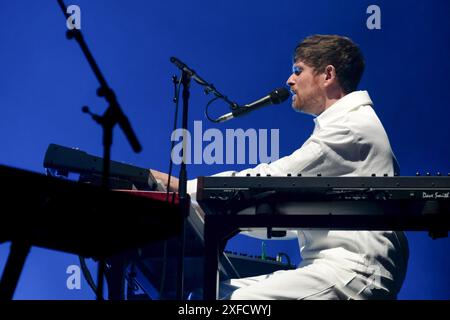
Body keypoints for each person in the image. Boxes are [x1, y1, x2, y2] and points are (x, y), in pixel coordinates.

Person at [152, 34, 409, 300]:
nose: (289, 80)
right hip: (339, 267)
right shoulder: (344, 126)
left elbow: (270, 179)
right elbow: (289, 215)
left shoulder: (349, 128)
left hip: (355, 270)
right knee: (208, 295)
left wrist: (183, 188)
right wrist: (218, 216)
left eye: (298, 70)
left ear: (328, 75)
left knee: (231, 302)